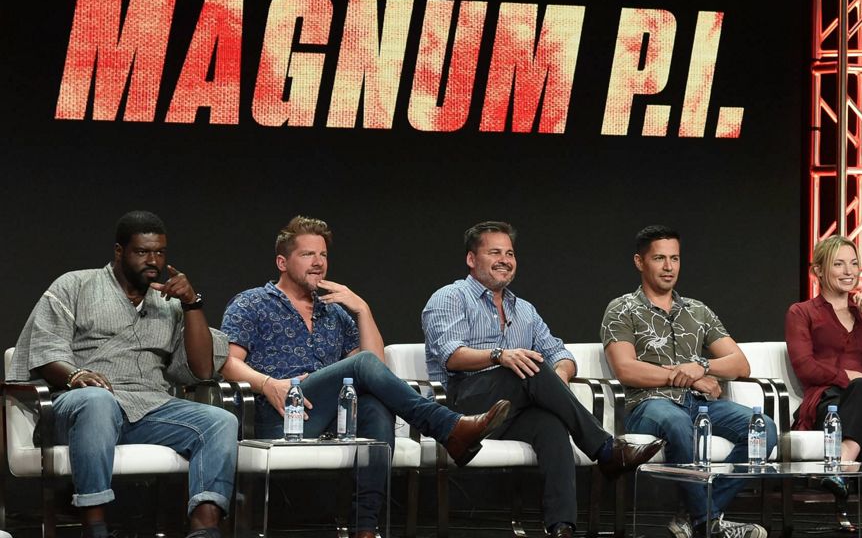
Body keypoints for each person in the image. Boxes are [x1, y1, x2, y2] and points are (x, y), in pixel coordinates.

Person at [220, 216, 509, 538]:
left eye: (323, 255)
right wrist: (267, 383)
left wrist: (362, 309)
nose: (318, 263)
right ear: (282, 262)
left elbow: (376, 367)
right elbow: (228, 363)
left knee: (374, 404)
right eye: (307, 255)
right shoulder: (251, 303)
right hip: (276, 412)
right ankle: (448, 426)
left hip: (327, 417)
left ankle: (365, 528)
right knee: (364, 373)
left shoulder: (334, 310)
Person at [423, 221, 663, 538]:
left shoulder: (524, 309)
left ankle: (561, 526)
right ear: (472, 259)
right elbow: (451, 355)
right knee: (523, 364)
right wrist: (500, 355)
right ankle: (605, 450)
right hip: (462, 407)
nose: (504, 259)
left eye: (509, 253)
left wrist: (558, 378)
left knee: (550, 423)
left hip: (509, 411)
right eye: (494, 252)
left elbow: (560, 353)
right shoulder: (450, 298)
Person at [6, 211, 237, 538]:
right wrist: (75, 376)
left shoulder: (168, 302)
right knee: (98, 401)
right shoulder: (75, 285)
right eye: (142, 252)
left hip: (148, 408)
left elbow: (201, 369)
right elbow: (45, 352)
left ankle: (204, 529)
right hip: (78, 407)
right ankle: (94, 527)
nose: (153, 260)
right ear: (119, 251)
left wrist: (191, 303)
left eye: (159, 252)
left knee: (220, 421)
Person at [602, 225, 776, 538]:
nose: (669, 267)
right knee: (677, 421)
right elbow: (626, 369)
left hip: (699, 406)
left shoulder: (698, 311)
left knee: (762, 427)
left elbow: (740, 364)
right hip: (647, 405)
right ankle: (708, 525)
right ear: (640, 262)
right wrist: (685, 376)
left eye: (675, 259)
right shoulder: (621, 309)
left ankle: (698, 517)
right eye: (659, 259)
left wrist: (702, 365)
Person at [784, 236, 862, 538]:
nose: (849, 270)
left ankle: (840, 462)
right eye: (839, 263)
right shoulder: (801, 312)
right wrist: (851, 377)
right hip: (827, 404)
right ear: (818, 270)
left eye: (854, 263)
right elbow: (805, 367)